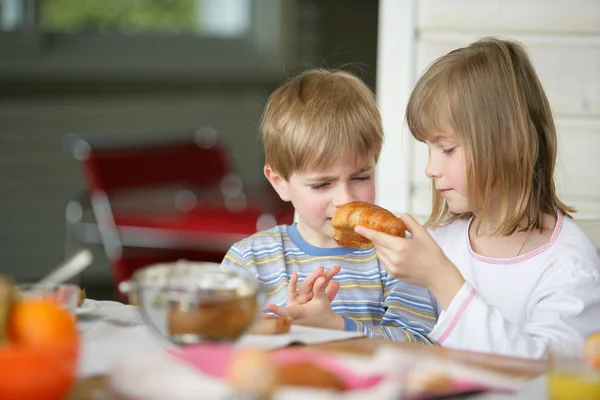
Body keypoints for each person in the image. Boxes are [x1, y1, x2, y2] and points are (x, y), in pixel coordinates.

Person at [355, 38, 600, 359]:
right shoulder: (440, 243)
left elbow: (546, 369)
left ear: (509, 141)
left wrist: (442, 279)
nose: (430, 168)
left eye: (447, 148)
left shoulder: (570, 268)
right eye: (428, 149)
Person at [221, 68, 437, 342]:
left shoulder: (397, 257)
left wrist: (339, 327)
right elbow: (223, 341)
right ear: (279, 182)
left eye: (360, 177)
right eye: (322, 184)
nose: (345, 199)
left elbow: (422, 344)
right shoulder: (250, 261)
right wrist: (290, 324)